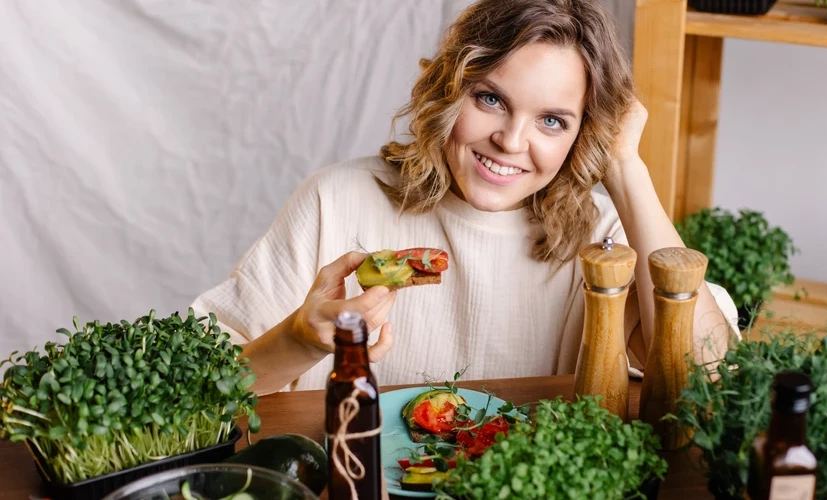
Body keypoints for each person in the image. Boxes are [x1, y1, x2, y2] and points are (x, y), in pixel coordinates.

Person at [190, 0, 740, 395]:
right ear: (448, 91)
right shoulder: (338, 201)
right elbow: (202, 391)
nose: (511, 140)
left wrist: (624, 167)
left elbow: (711, 381)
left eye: (552, 120)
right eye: (491, 99)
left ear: (583, 133)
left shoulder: (604, 241)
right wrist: (300, 340)